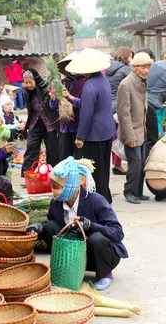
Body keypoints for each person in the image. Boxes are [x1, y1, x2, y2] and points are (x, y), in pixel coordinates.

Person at [26, 157, 127, 291]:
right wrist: (38, 227)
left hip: (97, 255)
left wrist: (91, 226)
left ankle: (105, 274)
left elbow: (117, 233)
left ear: (71, 187)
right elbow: (52, 223)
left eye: (56, 187)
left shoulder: (96, 201)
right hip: (74, 256)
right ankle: (64, 268)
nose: (53, 191)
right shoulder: (56, 203)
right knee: (50, 227)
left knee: (96, 238)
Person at [66, 48, 117, 204]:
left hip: (94, 134)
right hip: (107, 130)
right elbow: (92, 105)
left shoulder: (89, 86)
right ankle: (105, 196)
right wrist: (72, 99)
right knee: (104, 167)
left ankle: (100, 200)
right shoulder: (103, 80)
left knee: (95, 169)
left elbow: (87, 113)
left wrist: (81, 136)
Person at [116, 52, 154, 204]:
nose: (146, 70)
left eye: (148, 67)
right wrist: (129, 136)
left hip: (141, 129)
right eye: (143, 67)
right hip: (131, 130)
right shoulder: (126, 84)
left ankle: (138, 191)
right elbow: (123, 114)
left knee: (141, 162)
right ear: (135, 68)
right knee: (135, 163)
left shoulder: (141, 81)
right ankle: (129, 191)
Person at [21, 68, 59, 176]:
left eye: (30, 82)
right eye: (26, 82)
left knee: (52, 148)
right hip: (35, 121)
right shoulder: (26, 91)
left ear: (36, 80)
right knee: (31, 146)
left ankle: (53, 173)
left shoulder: (46, 89)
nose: (28, 85)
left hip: (49, 122)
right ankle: (28, 174)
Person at [52, 52, 87, 162]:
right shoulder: (62, 82)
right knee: (64, 158)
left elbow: (86, 104)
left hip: (78, 125)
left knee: (79, 158)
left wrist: (70, 97)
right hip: (64, 126)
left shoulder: (85, 82)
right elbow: (54, 106)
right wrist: (53, 97)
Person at [106, 47, 134, 175]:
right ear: (127, 56)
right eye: (131, 56)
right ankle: (127, 162)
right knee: (124, 134)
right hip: (121, 106)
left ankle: (116, 164)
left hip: (109, 107)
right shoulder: (126, 70)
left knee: (114, 136)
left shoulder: (107, 69)